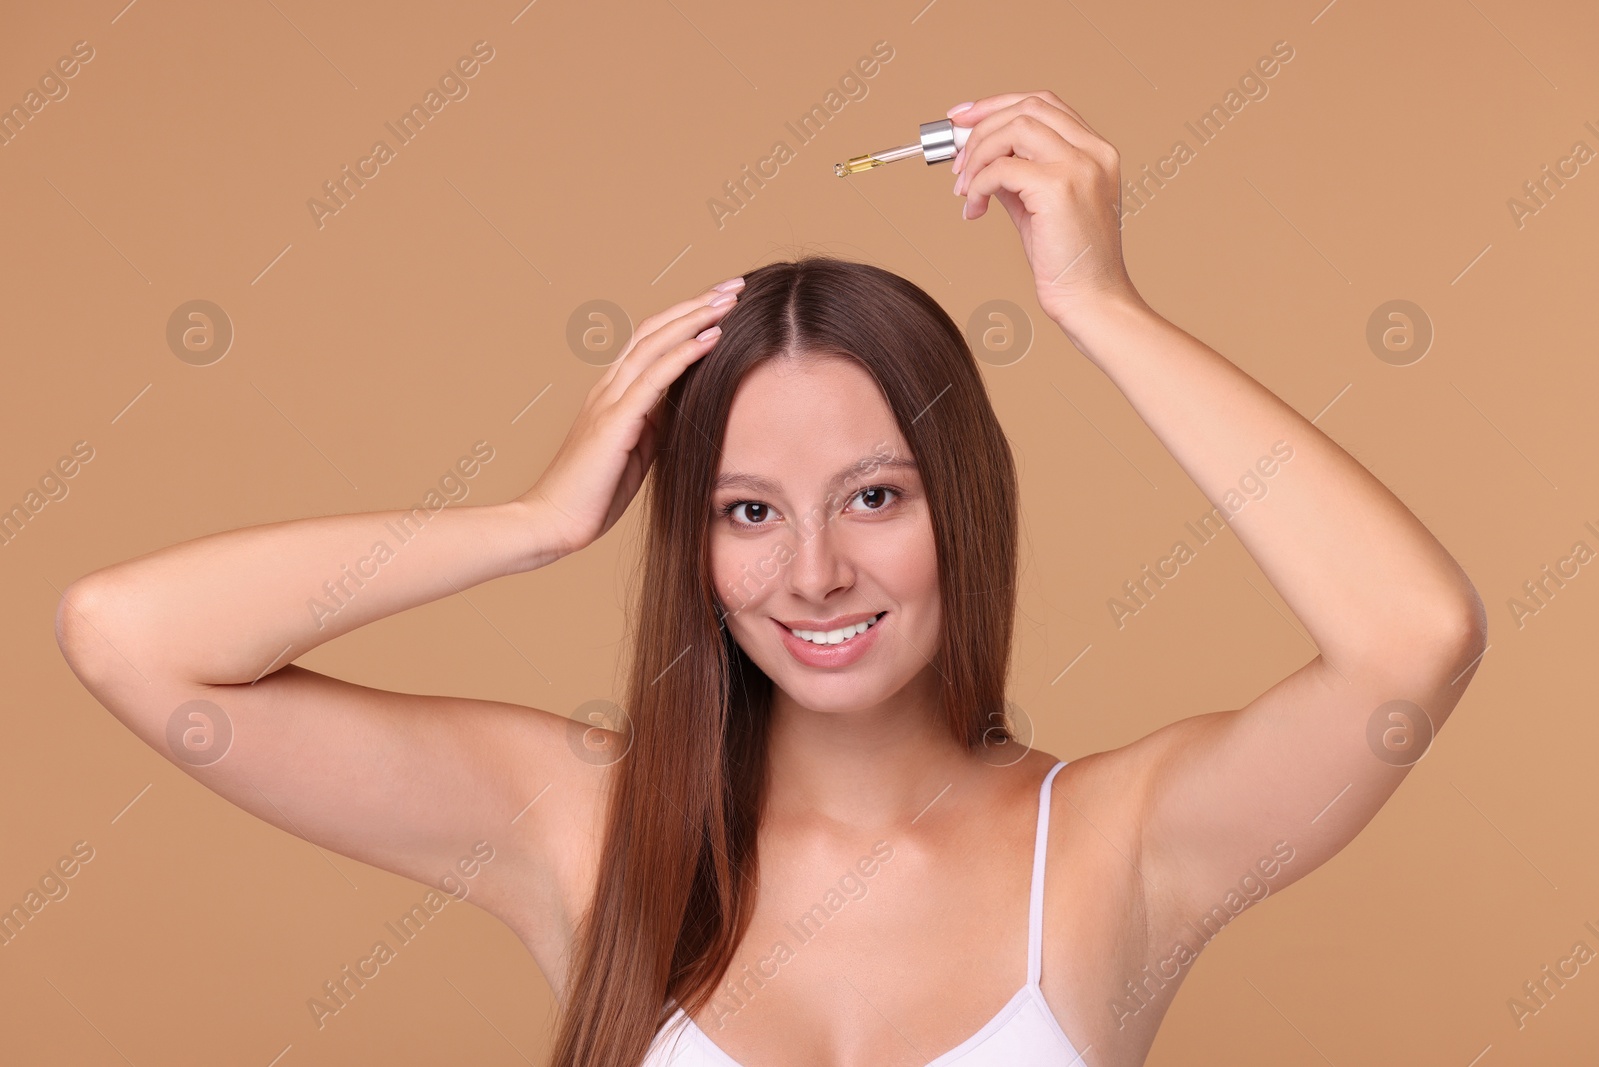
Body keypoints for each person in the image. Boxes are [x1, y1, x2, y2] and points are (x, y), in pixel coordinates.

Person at [54, 90, 1487, 1067]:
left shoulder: (1118, 844)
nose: (813, 571)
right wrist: (541, 520)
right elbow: (130, 639)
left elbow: (1411, 643)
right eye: (747, 511)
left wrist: (1098, 305)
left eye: (875, 496)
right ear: (690, 542)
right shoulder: (588, 828)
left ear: (962, 510)